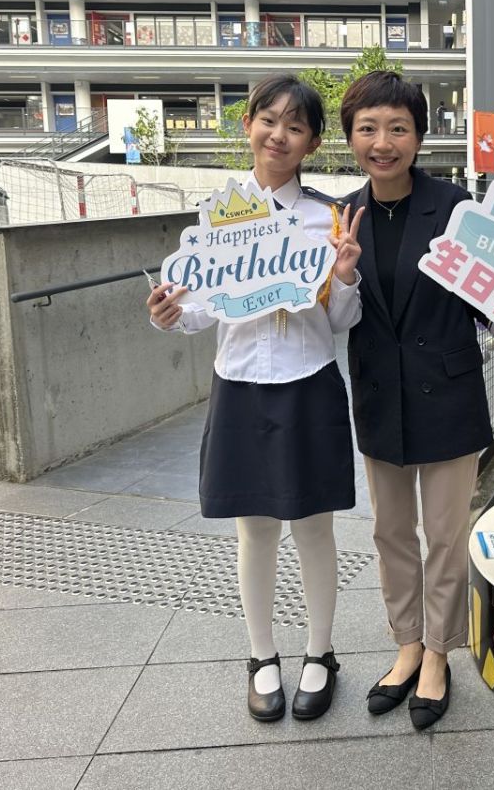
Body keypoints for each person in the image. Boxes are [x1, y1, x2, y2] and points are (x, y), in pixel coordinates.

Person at [339, 71, 494, 730]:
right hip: (380, 397)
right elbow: (337, 311)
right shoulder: (341, 215)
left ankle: (439, 653)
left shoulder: (455, 209)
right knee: (390, 534)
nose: (383, 142)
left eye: (397, 128)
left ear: (418, 136)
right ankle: (406, 645)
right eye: (368, 128)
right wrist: (341, 275)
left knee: (444, 537)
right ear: (351, 137)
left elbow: (492, 298)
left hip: (446, 392)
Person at [147, 74, 365, 723]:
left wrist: (345, 277)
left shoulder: (327, 219)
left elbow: (339, 322)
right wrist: (168, 315)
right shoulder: (218, 216)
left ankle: (320, 654)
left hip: (309, 381)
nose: (279, 135)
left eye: (295, 126)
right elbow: (199, 309)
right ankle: (261, 656)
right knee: (256, 530)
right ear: (248, 125)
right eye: (269, 120)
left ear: (313, 142)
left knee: (315, 527)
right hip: (240, 384)